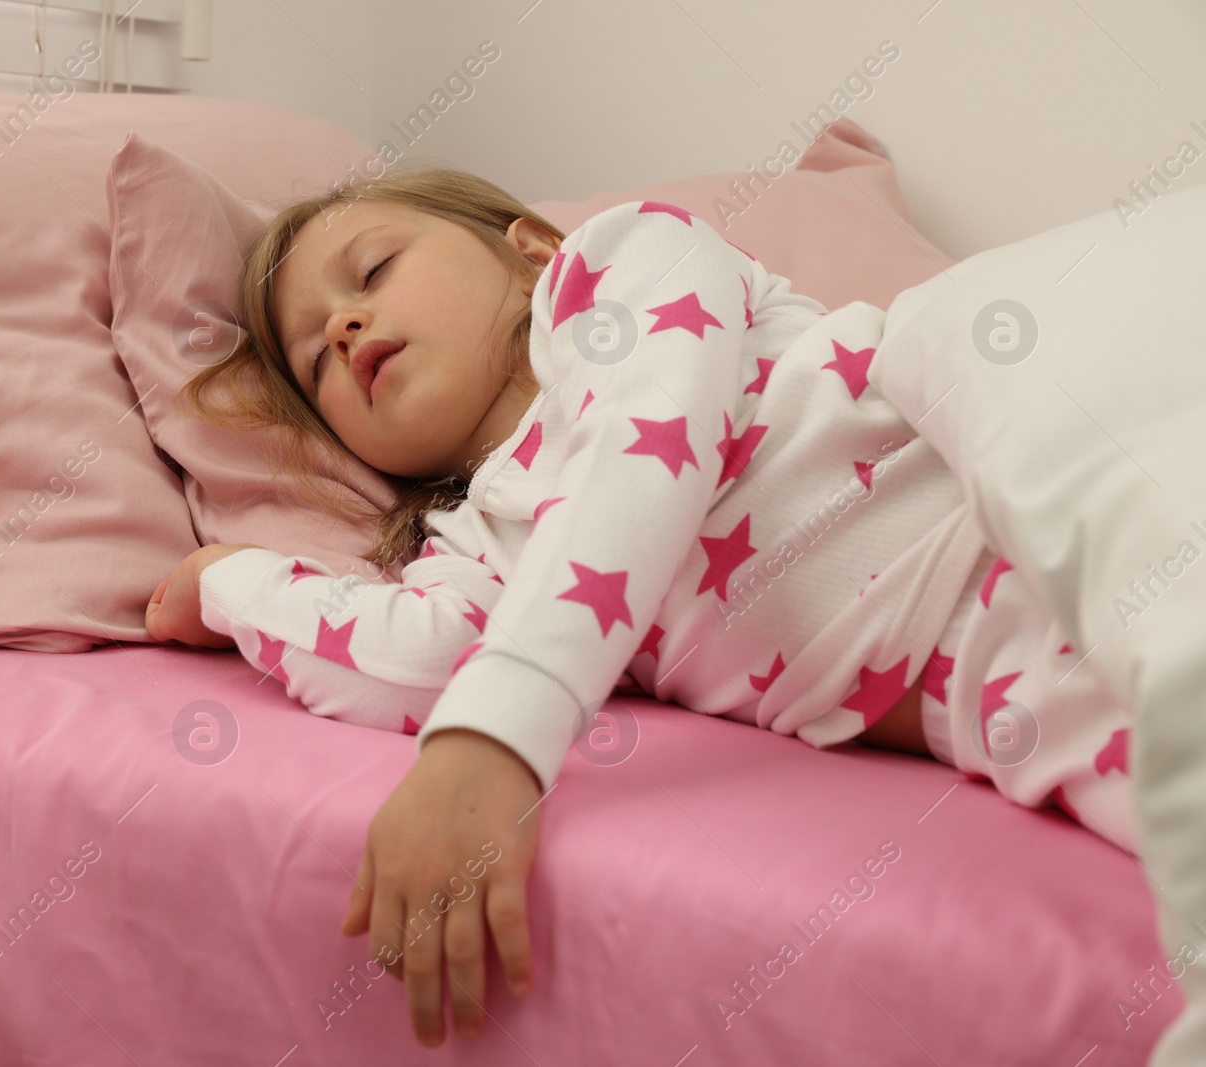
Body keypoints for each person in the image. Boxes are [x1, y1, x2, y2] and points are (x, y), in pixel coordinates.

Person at [142, 165, 1138, 1048]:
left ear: (528, 250)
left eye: (370, 272)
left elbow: (648, 431)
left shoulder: (625, 272)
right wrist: (230, 580)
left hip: (1046, 499)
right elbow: (407, 662)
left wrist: (491, 740)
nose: (344, 328)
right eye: (317, 365)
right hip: (1006, 689)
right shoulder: (484, 539)